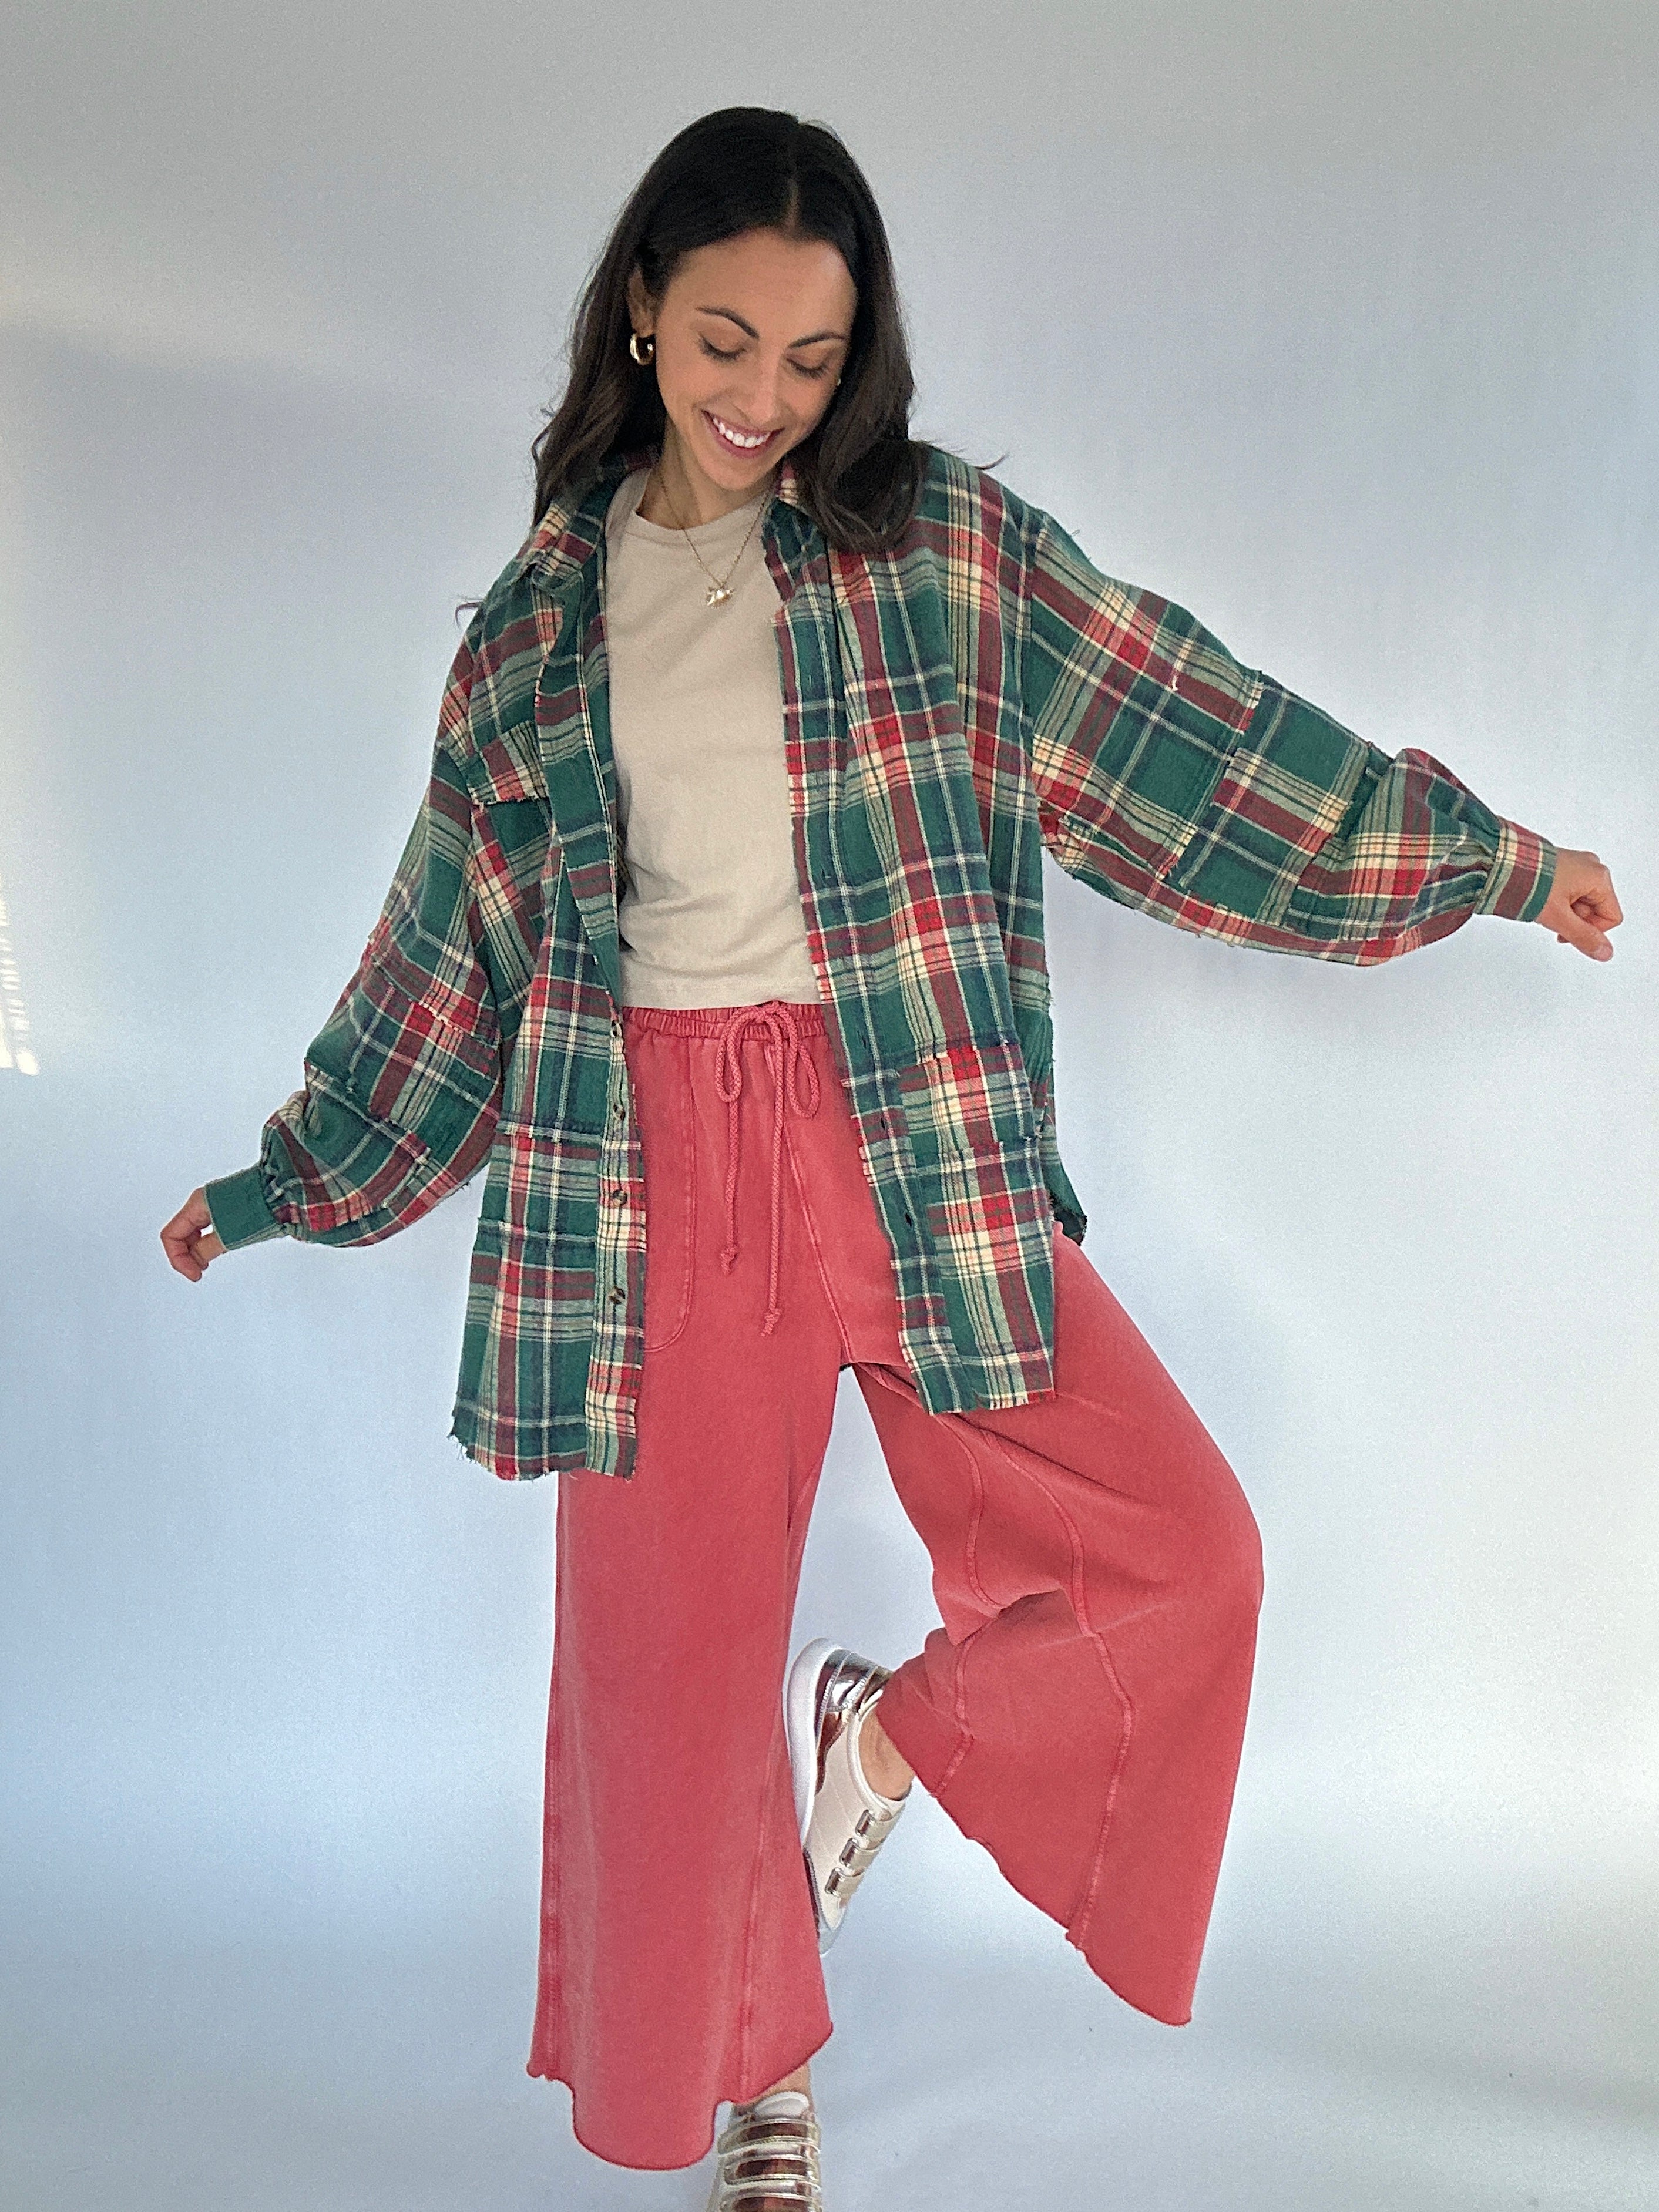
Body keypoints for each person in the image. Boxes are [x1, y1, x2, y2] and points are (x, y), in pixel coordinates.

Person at [160, 105, 1621, 2211]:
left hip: (911, 1140)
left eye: (816, 360)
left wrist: (1491, 862)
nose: (765, 400)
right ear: (643, 313)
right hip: (653, 1188)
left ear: (864, 366)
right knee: (665, 1703)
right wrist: (291, 1176)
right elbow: (444, 968)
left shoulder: (939, 553)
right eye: (727, 339)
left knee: (1189, 1553)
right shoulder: (533, 633)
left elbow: (1204, 744)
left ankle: (898, 1734)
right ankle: (766, 2080)